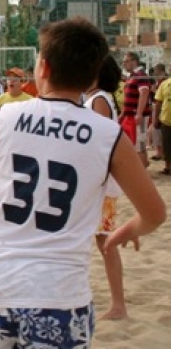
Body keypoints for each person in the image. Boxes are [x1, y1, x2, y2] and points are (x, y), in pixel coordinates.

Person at [0, 17, 166, 347]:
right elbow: (154, 214)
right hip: (57, 289)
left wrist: (13, 206)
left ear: (44, 67)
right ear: (94, 75)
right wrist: (124, 232)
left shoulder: (5, 116)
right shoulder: (109, 135)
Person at [83, 55, 128, 320]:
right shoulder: (97, 98)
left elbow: (100, 140)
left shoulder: (99, 99)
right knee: (103, 242)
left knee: (106, 243)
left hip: (99, 182)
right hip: (97, 181)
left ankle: (119, 305)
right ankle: (117, 303)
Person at [120, 51, 151, 168]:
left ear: (134, 61)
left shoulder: (140, 75)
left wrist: (139, 113)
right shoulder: (131, 76)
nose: (124, 64)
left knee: (139, 143)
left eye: (126, 61)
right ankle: (144, 163)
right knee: (136, 142)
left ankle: (142, 168)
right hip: (130, 115)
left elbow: (144, 92)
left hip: (138, 116)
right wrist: (123, 114)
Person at [153, 67, 171, 175]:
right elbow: (158, 102)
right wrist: (156, 118)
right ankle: (168, 167)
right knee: (167, 145)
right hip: (166, 120)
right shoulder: (164, 84)